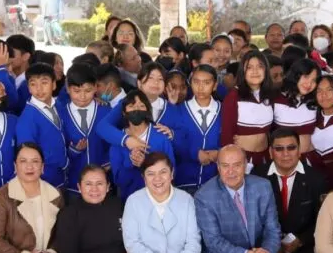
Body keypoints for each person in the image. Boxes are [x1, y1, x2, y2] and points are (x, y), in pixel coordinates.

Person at [251, 128, 326, 253]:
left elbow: (323, 221)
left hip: (304, 241)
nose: (285, 154)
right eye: (279, 149)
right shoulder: (257, 176)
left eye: (291, 148)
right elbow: (252, 217)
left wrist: (300, 240)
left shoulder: (316, 179)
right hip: (270, 242)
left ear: (299, 150)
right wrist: (272, 242)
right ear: (270, 152)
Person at [108, 90, 176, 201]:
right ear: (124, 112)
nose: (136, 109)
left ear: (147, 110)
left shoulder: (161, 138)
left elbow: (173, 172)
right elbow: (119, 181)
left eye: (141, 105)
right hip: (129, 200)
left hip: (160, 199)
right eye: (131, 106)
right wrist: (130, 162)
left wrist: (146, 164)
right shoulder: (117, 141)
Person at [16, 63, 68, 188]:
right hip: (43, 181)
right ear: (28, 88)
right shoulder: (27, 119)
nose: (39, 89)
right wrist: (63, 161)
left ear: (54, 84)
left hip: (62, 177)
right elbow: (28, 154)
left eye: (44, 83)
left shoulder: (58, 105)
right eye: (33, 84)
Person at [220, 50, 276, 168]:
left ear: (266, 70)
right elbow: (227, 134)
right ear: (242, 71)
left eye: (260, 66)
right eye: (249, 67)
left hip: (265, 157)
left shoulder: (270, 95)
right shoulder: (234, 96)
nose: (255, 71)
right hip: (242, 159)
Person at [61, 63, 109, 194]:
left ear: (95, 87)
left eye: (87, 91)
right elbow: (56, 147)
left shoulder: (106, 112)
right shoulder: (60, 114)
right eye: (76, 91)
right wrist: (74, 150)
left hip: (102, 184)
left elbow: (113, 143)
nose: (82, 96)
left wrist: (107, 164)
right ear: (68, 88)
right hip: (73, 183)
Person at [173, 63, 222, 192]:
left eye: (206, 82)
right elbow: (173, 140)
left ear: (215, 85)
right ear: (190, 83)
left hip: (215, 183)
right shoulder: (179, 110)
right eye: (196, 82)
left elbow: (231, 139)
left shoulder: (224, 111)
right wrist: (195, 153)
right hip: (183, 182)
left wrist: (220, 153)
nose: (201, 87)